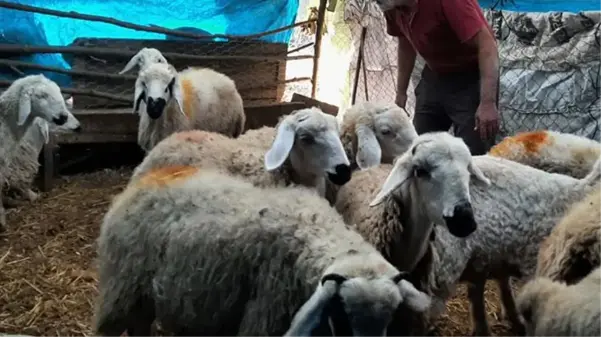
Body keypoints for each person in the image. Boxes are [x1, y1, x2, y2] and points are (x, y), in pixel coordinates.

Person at [381, 0, 501, 155]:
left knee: (473, 154)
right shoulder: (390, 5)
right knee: (419, 148)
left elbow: (488, 45)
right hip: (434, 75)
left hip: (471, 77)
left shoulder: (449, 3)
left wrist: (487, 103)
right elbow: (405, 43)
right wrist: (401, 92)